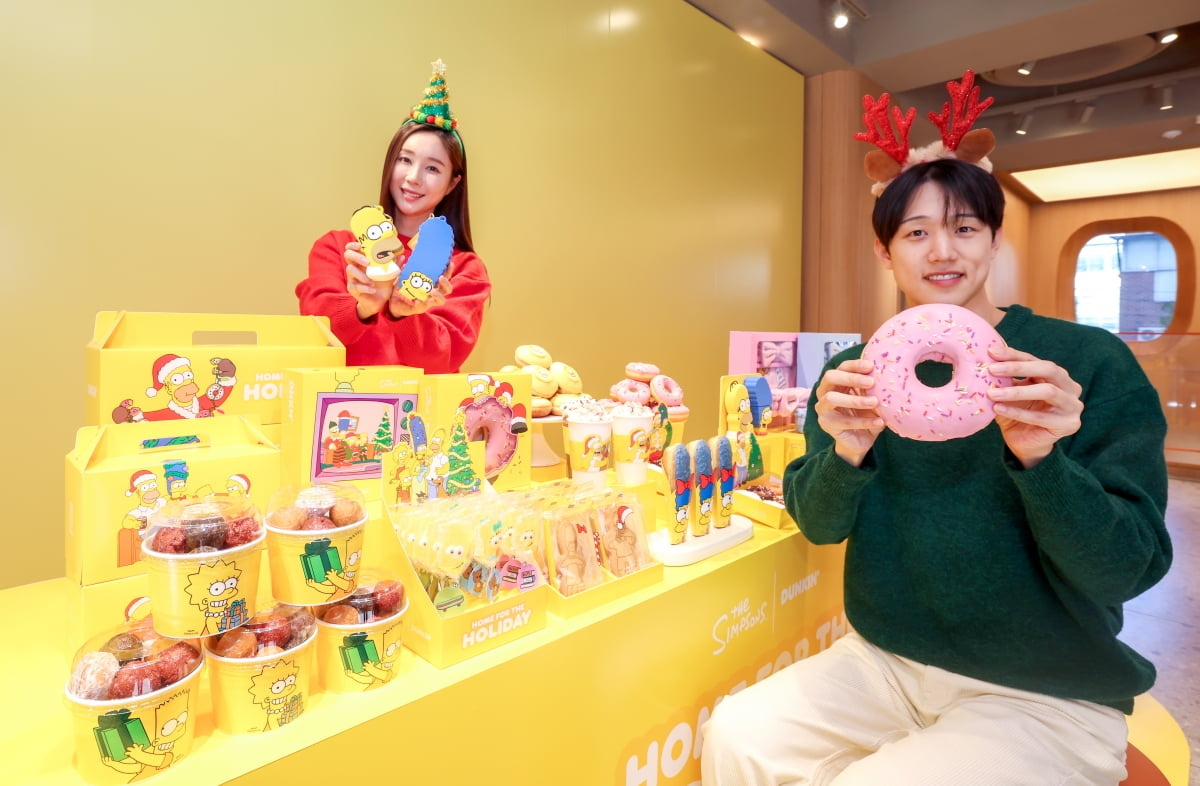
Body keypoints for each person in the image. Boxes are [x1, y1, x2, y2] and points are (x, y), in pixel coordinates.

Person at [701, 72, 1171, 785]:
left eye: (964, 228)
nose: (942, 252)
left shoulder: (1080, 364)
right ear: (884, 251)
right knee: (737, 737)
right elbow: (821, 527)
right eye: (916, 232)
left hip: (1046, 687)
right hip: (886, 659)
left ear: (994, 240)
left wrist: (1043, 461)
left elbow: (1128, 570)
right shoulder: (857, 373)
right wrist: (846, 454)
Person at [296, 60, 490, 372]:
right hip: (339, 401)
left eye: (432, 168)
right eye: (405, 160)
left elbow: (442, 363)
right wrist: (363, 307)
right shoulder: (339, 249)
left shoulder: (463, 270)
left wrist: (403, 314)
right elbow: (315, 336)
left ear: (453, 183)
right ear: (390, 163)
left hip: (419, 405)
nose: (413, 178)